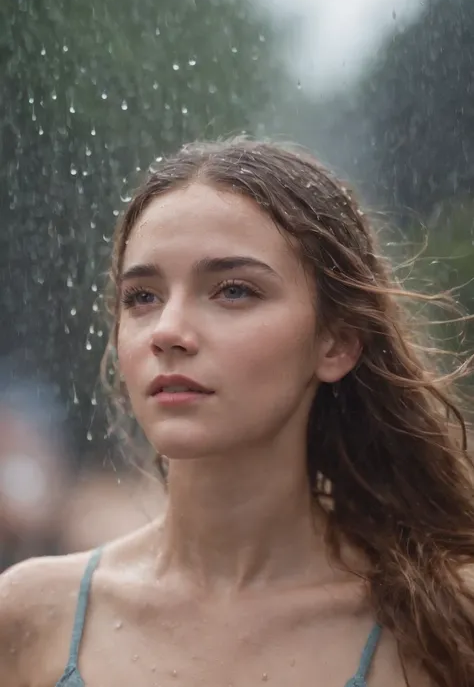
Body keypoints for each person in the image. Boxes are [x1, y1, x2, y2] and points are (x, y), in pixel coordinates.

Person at [0, 138, 473, 687]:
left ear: (337, 341)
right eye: (142, 297)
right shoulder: (31, 617)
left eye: (232, 290)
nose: (168, 332)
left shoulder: (441, 628)